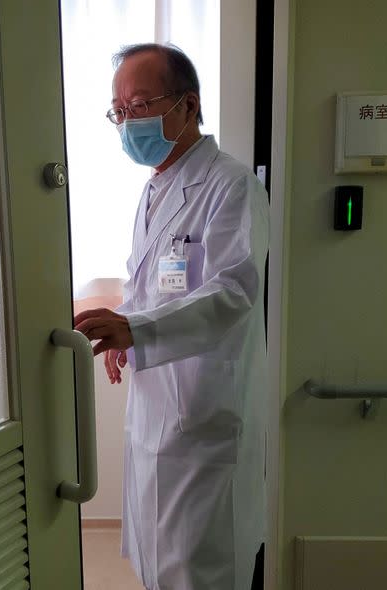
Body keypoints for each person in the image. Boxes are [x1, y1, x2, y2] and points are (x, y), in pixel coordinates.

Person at [73, 43, 269, 590]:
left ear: (188, 105)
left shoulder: (232, 186)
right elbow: (151, 285)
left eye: (140, 104)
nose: (127, 121)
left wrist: (136, 328)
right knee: (160, 567)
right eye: (119, 110)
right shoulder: (155, 188)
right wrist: (125, 332)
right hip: (156, 411)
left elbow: (234, 291)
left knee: (202, 571)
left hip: (204, 423)